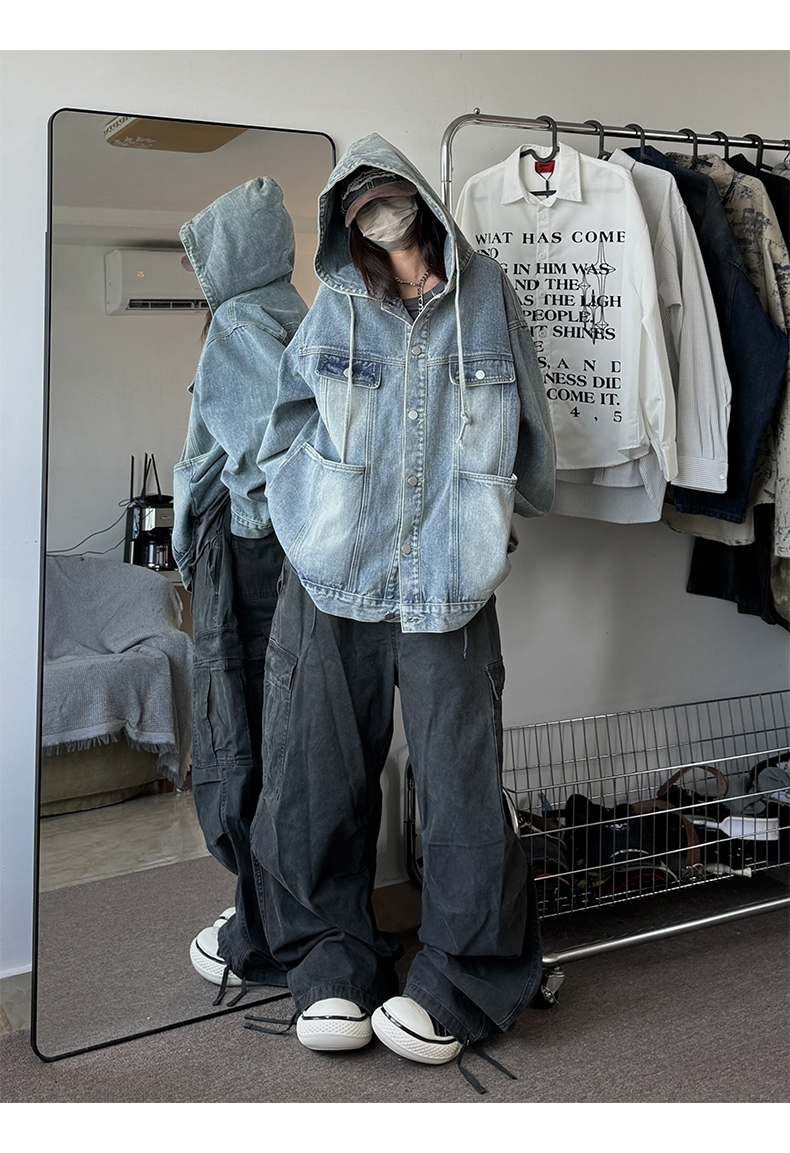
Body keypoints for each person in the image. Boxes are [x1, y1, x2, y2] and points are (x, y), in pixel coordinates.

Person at [251, 134, 556, 1066]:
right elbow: (285, 425)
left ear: (423, 206)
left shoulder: (487, 291)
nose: (380, 224)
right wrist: (308, 513)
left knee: (462, 784)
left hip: (449, 580)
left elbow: (531, 432)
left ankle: (464, 978)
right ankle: (330, 963)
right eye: (361, 212)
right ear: (344, 226)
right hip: (334, 574)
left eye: (390, 203)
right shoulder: (339, 300)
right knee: (316, 774)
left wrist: (492, 518)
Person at [172, 178, 308, 1001]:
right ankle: (280, 919)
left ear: (228, 254)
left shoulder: (235, 321)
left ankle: (257, 934)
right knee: (285, 739)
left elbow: (260, 452)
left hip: (249, 556)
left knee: (239, 741)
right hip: (290, 561)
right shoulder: (298, 311)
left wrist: (249, 532)